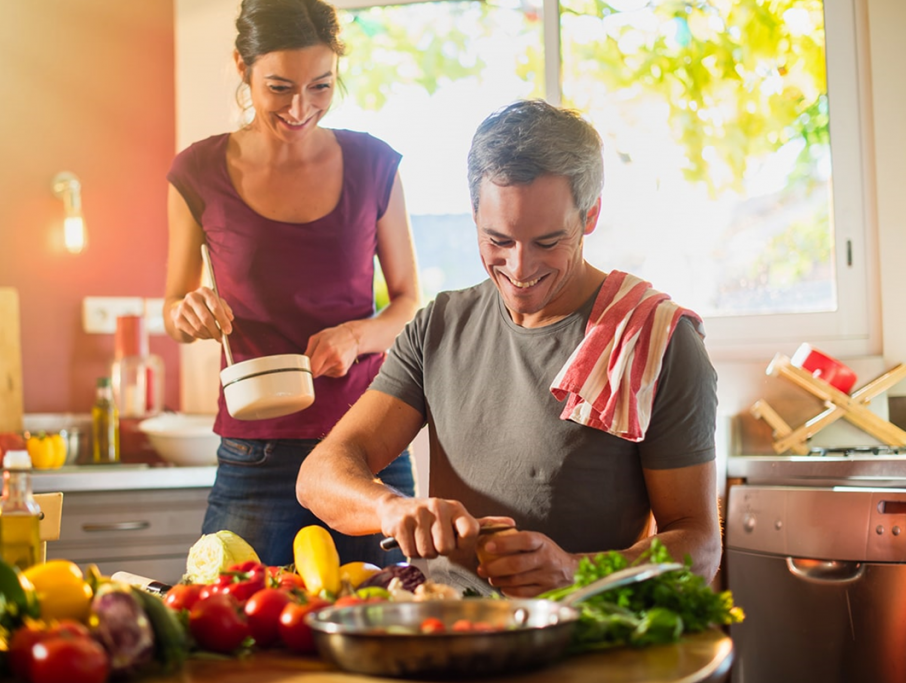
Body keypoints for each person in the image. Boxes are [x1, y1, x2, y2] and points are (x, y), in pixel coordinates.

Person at [296, 100, 722, 597]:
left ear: (591, 214)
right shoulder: (438, 326)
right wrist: (392, 509)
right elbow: (319, 474)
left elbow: (699, 546)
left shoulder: (658, 341)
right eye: (498, 239)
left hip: (578, 628)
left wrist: (575, 569)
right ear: (474, 213)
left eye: (547, 242)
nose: (519, 269)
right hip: (446, 621)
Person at [163, 0, 421, 568]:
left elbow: (408, 304)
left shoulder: (373, 164)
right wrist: (187, 313)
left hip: (365, 442)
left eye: (321, 85)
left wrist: (356, 336)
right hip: (256, 447)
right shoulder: (196, 172)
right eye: (279, 87)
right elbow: (173, 307)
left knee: (388, 615)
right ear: (242, 65)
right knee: (224, 622)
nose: (301, 108)